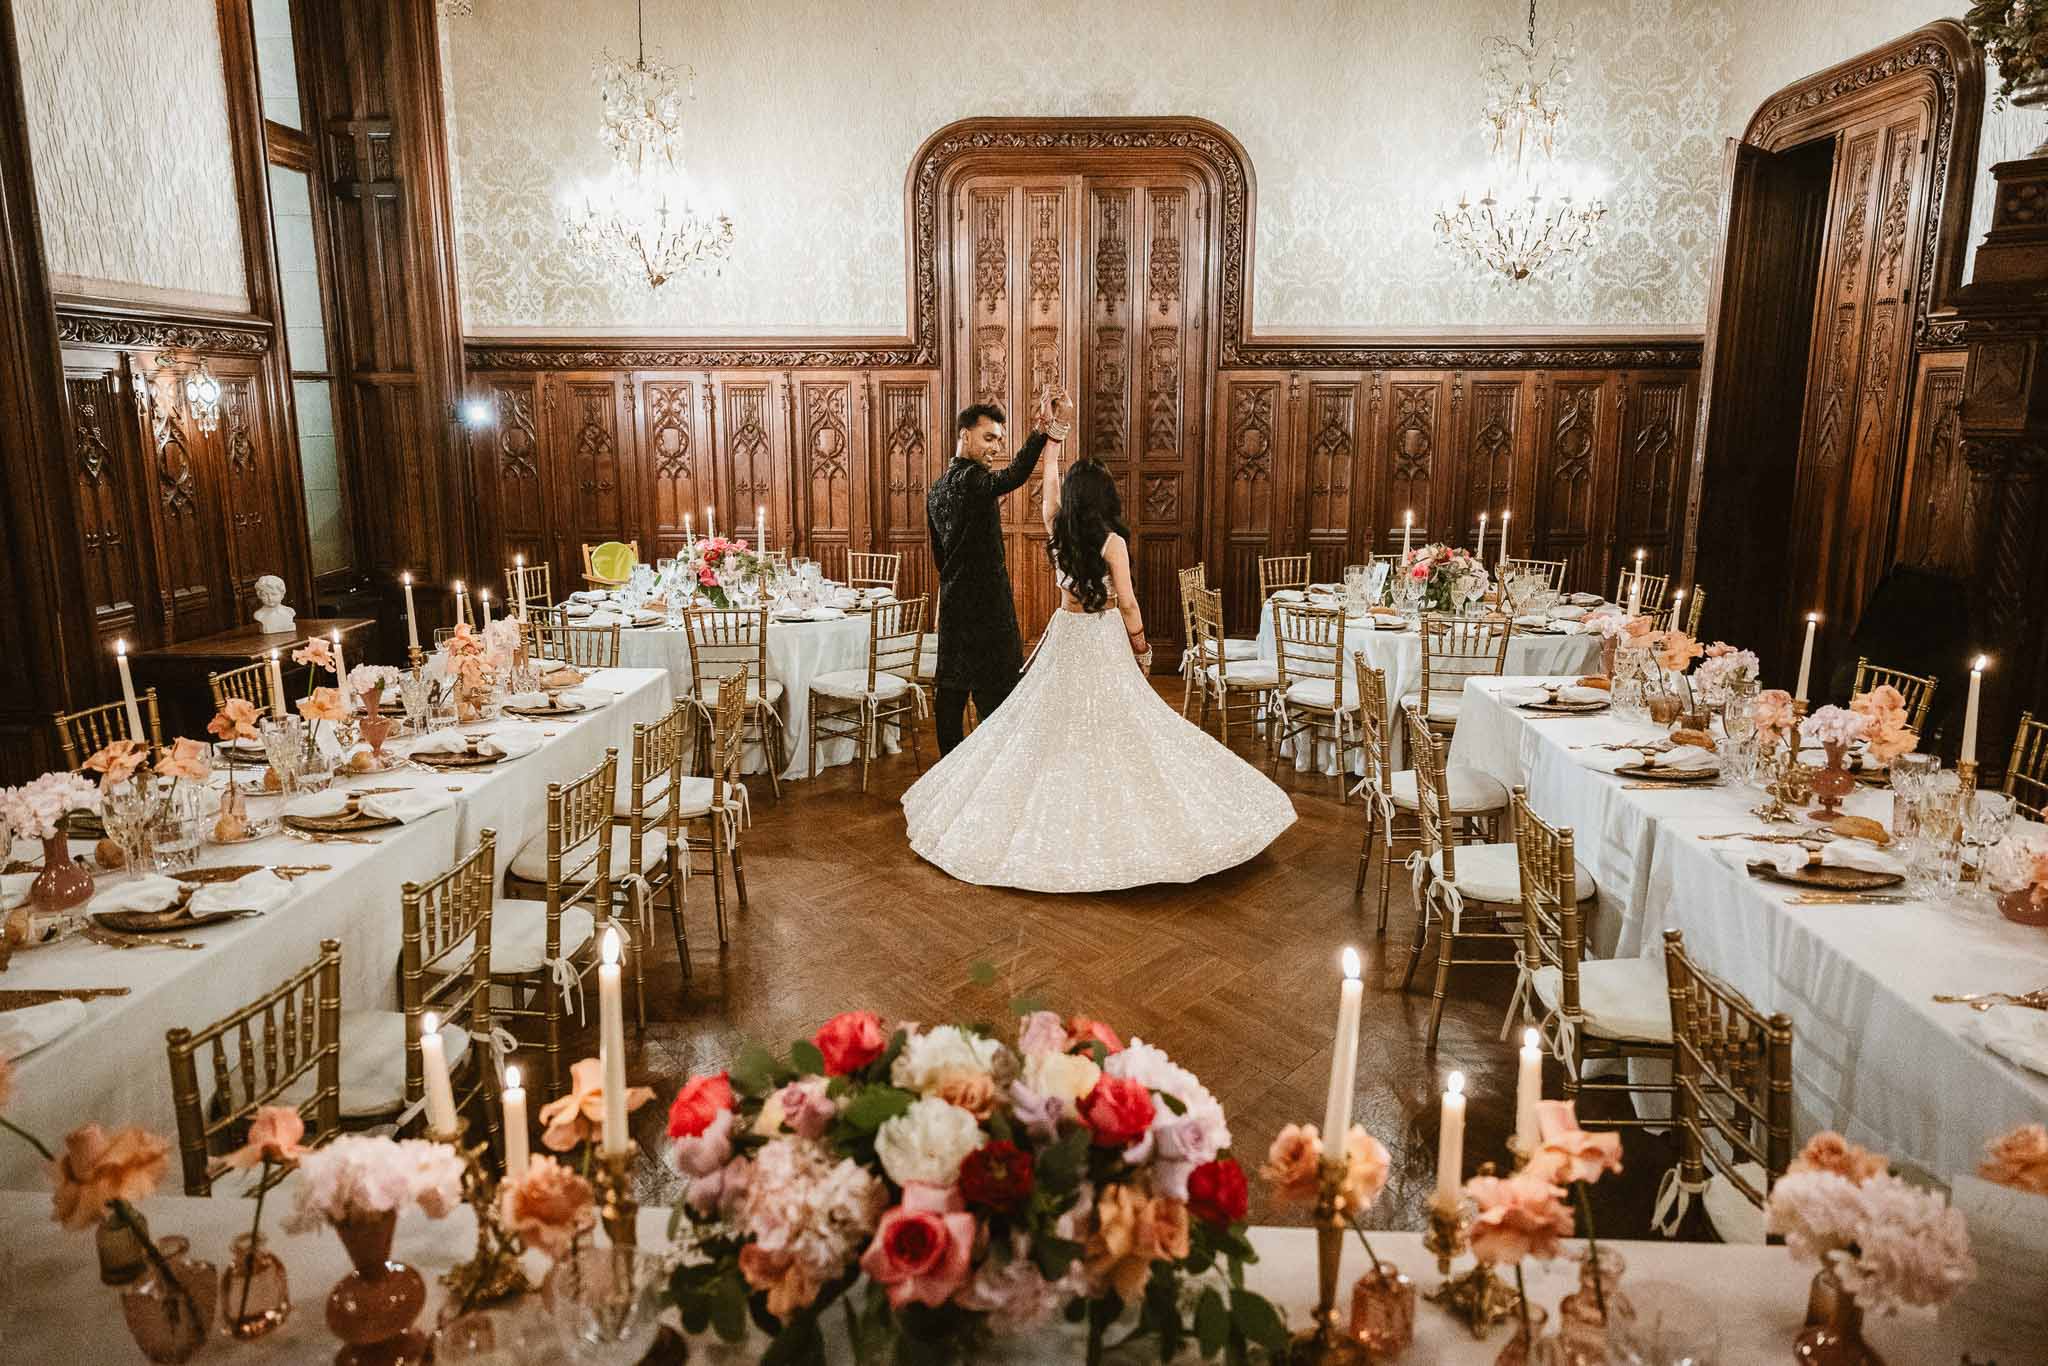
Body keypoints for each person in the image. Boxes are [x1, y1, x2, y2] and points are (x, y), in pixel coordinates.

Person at [902, 433, 1297, 893]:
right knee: (1125, 724)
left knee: (1050, 723)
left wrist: (1053, 448)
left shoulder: (1056, 528)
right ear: (1106, 496)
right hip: (1105, 637)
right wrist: (1143, 648)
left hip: (1066, 635)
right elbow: (1127, 605)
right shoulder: (1112, 543)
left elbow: (1049, 493)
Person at [926, 395, 1066, 754]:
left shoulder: (937, 488)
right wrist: (1041, 430)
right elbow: (1015, 475)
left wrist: (956, 587)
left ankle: (950, 777)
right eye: (989, 438)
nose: (995, 447)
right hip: (987, 610)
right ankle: (996, 777)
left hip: (956, 606)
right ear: (965, 436)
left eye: (999, 440)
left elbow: (940, 558)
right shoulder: (973, 480)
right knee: (999, 698)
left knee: (952, 694)